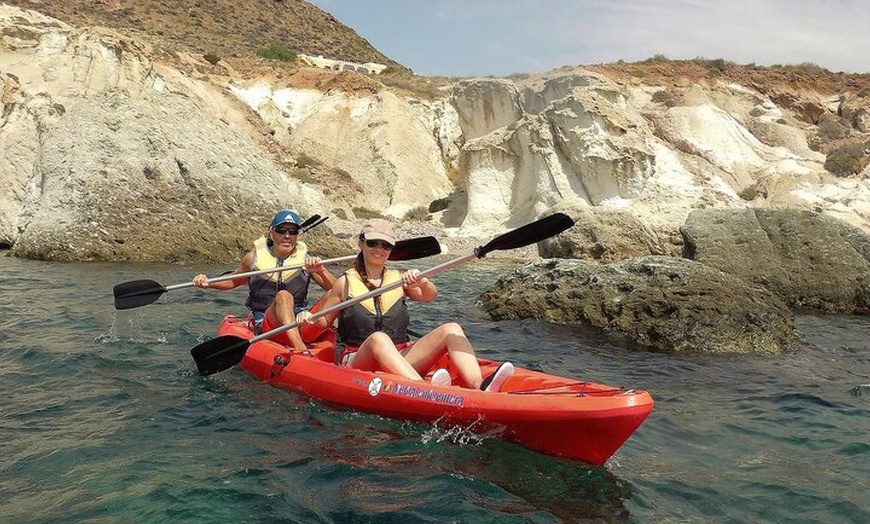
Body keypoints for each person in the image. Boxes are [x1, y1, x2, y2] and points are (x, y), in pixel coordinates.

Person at [296, 218, 514, 392]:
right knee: (379, 339)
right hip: (357, 359)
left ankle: (479, 385)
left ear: (392, 249)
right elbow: (325, 320)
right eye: (372, 243)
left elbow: (429, 296)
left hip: (400, 356)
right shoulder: (345, 282)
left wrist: (423, 281)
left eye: (386, 245)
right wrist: (310, 318)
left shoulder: (398, 279)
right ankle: (423, 390)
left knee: (451, 329)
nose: (379, 249)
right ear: (361, 243)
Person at [192, 210, 336, 352]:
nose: (287, 236)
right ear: (271, 233)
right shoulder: (253, 258)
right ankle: (301, 349)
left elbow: (340, 291)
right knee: (284, 296)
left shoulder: (306, 260)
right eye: (281, 230)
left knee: (334, 295)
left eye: (292, 231)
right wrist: (209, 282)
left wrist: (321, 271)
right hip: (269, 324)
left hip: (301, 321)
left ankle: (346, 346)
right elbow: (233, 280)